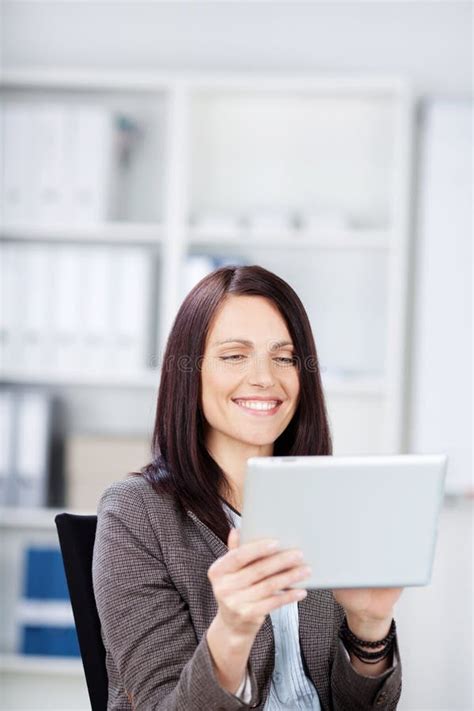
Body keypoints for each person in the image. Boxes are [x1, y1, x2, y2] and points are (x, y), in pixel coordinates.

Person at [92, 264, 403, 710]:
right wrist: (233, 630)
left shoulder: (328, 499)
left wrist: (368, 628)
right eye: (235, 355)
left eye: (285, 357)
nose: (264, 378)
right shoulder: (136, 514)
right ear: (191, 372)